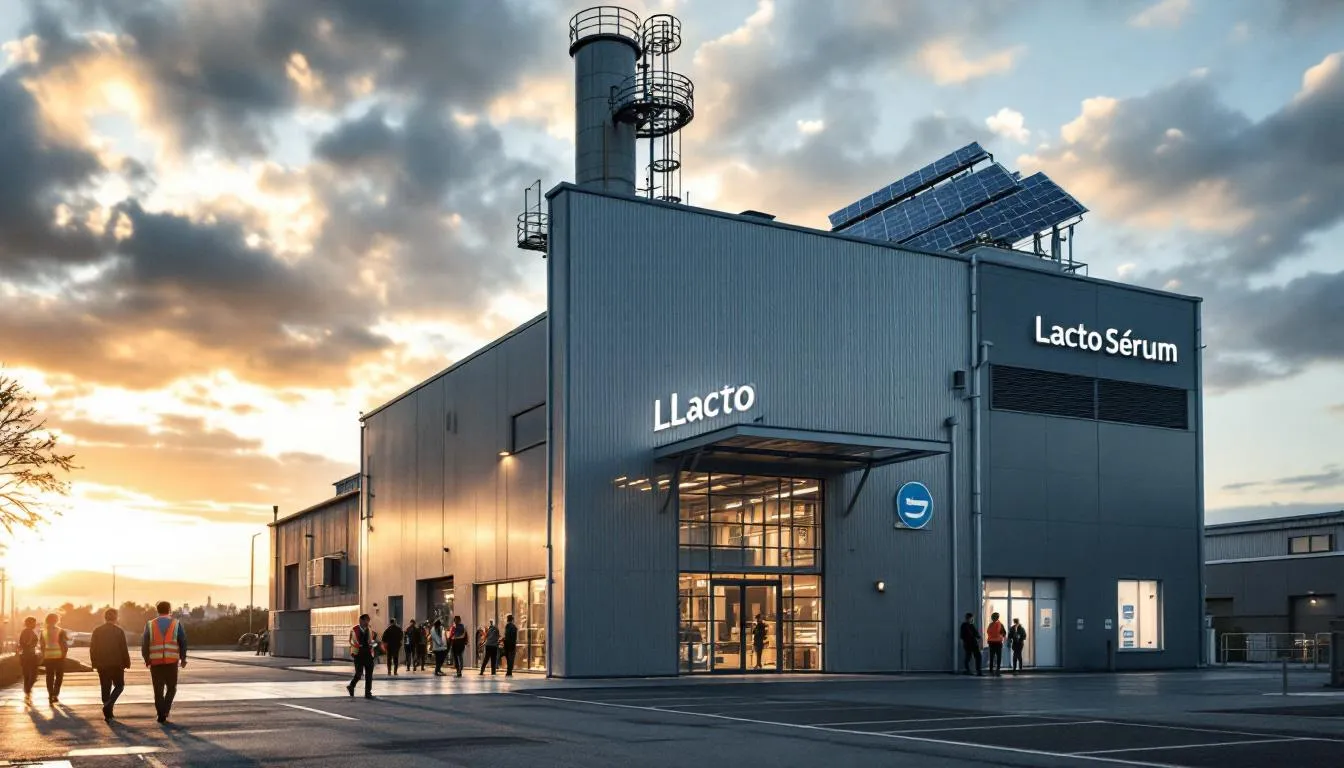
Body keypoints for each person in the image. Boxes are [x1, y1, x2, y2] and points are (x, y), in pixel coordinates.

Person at [142, 601, 187, 723]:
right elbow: (182, 641)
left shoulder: (150, 624)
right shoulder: (176, 623)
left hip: (155, 663)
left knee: (158, 690)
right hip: (171, 662)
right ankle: (165, 710)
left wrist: (147, 659)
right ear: (169, 610)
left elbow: (145, 644)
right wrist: (183, 658)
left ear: (157, 610)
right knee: (172, 688)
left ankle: (160, 713)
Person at [91, 608, 131, 721]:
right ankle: (109, 705)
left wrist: (94, 663)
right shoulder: (119, 631)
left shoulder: (97, 631)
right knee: (119, 686)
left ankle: (108, 711)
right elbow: (124, 648)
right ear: (116, 617)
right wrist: (127, 662)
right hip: (117, 664)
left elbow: (93, 648)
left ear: (105, 617)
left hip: (102, 664)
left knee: (105, 687)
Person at [39, 613, 70, 704]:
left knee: (49, 676)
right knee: (59, 676)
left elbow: (42, 645)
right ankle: (55, 694)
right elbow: (64, 643)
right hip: (59, 656)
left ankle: (50, 694)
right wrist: (64, 653)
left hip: (48, 656)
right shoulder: (61, 631)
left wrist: (43, 654)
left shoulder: (43, 631)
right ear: (57, 620)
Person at [347, 613, 377, 698]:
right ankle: (351, 686)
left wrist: (374, 644)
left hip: (368, 654)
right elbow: (351, 641)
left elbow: (371, 640)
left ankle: (368, 693)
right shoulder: (354, 629)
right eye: (366, 620)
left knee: (369, 674)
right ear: (361, 620)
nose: (367, 622)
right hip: (359, 654)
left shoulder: (369, 629)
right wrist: (357, 646)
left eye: (368, 620)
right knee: (359, 674)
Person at [18, 616, 41, 700]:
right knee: (32, 674)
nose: (35, 624)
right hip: (28, 655)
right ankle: (27, 689)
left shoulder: (27, 631)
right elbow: (26, 643)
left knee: (28, 674)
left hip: (28, 654)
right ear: (29, 623)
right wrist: (31, 642)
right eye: (34, 623)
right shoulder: (27, 631)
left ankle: (27, 689)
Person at [985, 612, 1006, 676]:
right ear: (997, 617)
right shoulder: (1000, 624)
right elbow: (1004, 633)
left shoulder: (990, 625)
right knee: (998, 656)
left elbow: (988, 632)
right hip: (998, 643)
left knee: (992, 656)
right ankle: (997, 669)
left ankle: (991, 670)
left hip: (991, 643)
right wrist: (1001, 637)